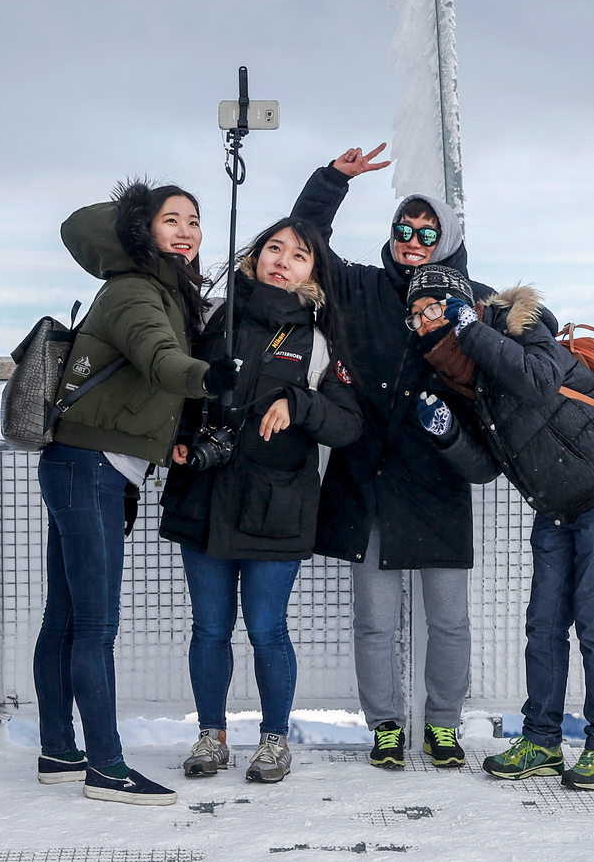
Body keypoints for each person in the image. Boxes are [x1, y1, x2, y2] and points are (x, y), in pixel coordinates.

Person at [289, 145, 496, 769]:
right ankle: (384, 725)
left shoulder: (472, 300)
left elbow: (518, 358)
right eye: (404, 231)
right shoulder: (355, 288)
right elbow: (304, 243)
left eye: (427, 233)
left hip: (437, 477)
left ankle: (442, 728)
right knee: (374, 621)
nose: (413, 241)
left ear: (446, 243)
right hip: (369, 478)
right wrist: (332, 181)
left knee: (450, 621)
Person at [35, 180, 240, 805]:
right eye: (169, 219)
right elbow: (158, 360)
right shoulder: (134, 291)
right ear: (139, 232)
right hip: (88, 467)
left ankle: (58, 750)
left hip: (91, 464)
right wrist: (211, 376)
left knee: (67, 617)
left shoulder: (158, 289)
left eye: (194, 221)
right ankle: (106, 766)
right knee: (94, 623)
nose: (186, 230)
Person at [405, 264, 594, 791]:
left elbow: (538, 381)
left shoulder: (519, 325)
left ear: (457, 303)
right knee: (543, 625)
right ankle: (541, 740)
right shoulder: (454, 375)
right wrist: (448, 436)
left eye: (433, 307)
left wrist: (472, 330)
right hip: (554, 503)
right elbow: (487, 465)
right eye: (416, 315)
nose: (425, 320)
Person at [159, 218, 363, 783]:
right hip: (204, 495)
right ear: (254, 258)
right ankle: (212, 735)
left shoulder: (319, 341)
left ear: (313, 273)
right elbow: (180, 394)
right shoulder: (214, 319)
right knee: (209, 628)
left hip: (277, 507)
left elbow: (348, 424)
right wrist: (178, 441)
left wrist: (301, 404)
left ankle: (274, 742)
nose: (282, 260)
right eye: (274, 248)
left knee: (268, 630)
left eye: (298, 255)